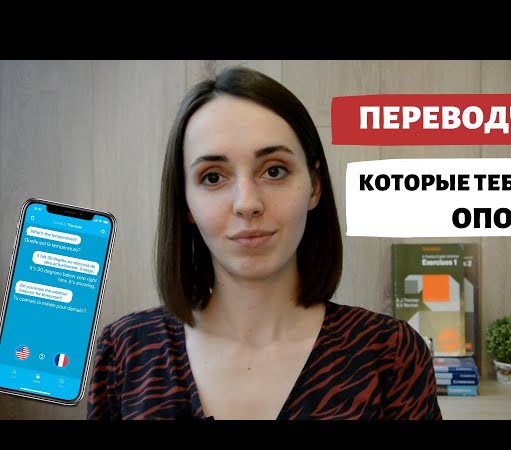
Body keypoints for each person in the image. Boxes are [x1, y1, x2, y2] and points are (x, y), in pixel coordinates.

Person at [87, 65, 442, 420]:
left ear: (314, 186)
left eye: (274, 171)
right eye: (213, 177)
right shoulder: (125, 353)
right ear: (186, 203)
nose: (247, 203)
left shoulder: (391, 354)